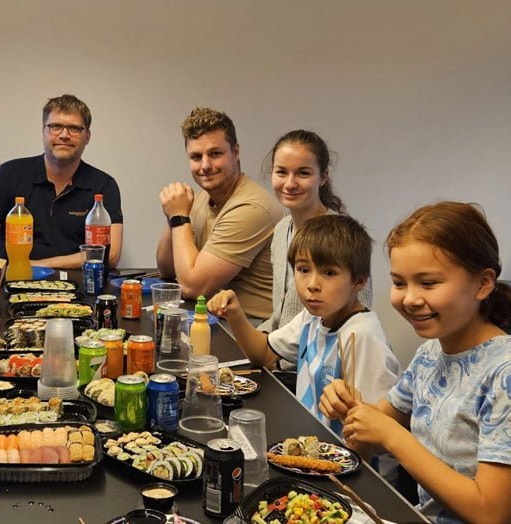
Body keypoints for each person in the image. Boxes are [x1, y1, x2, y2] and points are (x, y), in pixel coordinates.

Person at [320, 202, 511, 523]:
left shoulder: (503, 374)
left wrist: (393, 437)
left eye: (428, 283)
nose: (409, 299)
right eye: (399, 283)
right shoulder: (429, 354)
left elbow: (491, 512)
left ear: (483, 283)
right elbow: (378, 422)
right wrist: (351, 408)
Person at [208, 214, 399, 434]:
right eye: (303, 270)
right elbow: (264, 354)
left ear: (359, 281)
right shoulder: (313, 316)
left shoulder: (362, 336)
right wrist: (235, 315)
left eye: (329, 273)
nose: (312, 285)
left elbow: (375, 429)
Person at [156, 107, 282, 320]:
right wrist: (174, 215)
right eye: (196, 157)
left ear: (235, 152)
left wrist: (179, 217)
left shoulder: (251, 207)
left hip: (250, 327)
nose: (205, 166)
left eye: (215, 154)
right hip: (212, 316)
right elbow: (167, 270)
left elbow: (192, 287)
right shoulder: (201, 199)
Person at [0, 94, 124, 269]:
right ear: (43, 132)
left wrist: (38, 266)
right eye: (56, 126)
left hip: (81, 283)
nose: (64, 135)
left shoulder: (103, 185)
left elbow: (110, 255)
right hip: (15, 280)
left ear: (87, 136)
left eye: (74, 128)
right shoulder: (9, 174)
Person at [258, 130, 371, 332]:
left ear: (323, 177)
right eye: (281, 172)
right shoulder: (282, 229)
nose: (290, 184)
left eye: (303, 173)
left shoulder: (341, 237)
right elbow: (280, 319)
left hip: (321, 351)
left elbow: (358, 318)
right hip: (281, 347)